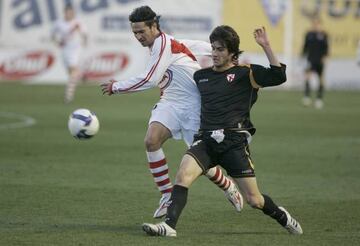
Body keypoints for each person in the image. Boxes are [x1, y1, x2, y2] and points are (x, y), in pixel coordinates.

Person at [142, 25, 303, 237]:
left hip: (234, 143)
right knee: (183, 175)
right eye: (213, 48)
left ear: (232, 54)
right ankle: (169, 226)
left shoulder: (246, 73)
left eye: (220, 50)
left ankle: (282, 216)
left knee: (254, 200)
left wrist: (266, 46)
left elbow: (278, 76)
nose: (215, 54)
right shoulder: (201, 76)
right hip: (206, 141)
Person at [101, 6, 243, 219]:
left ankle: (228, 185)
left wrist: (117, 86)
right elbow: (197, 46)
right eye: (135, 33)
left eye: (142, 31)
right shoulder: (168, 42)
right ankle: (167, 195)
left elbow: (150, 79)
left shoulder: (163, 43)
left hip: (194, 106)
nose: (138, 37)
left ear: (154, 26)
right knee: (151, 140)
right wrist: (210, 50)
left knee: (203, 163)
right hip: (170, 103)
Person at [51, 4, 88, 104]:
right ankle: (81, 75)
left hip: (75, 49)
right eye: (68, 12)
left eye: (71, 12)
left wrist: (84, 42)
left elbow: (84, 34)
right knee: (71, 73)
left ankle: (68, 96)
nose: (70, 14)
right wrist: (57, 42)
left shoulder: (77, 23)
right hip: (65, 50)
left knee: (72, 70)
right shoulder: (59, 23)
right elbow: (53, 35)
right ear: (65, 12)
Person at [301, 17, 329, 109]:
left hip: (319, 60)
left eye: (317, 23)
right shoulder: (309, 34)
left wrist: (325, 58)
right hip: (310, 60)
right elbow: (305, 47)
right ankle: (307, 97)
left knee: (321, 79)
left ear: (320, 24)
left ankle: (319, 99)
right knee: (307, 77)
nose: (315, 25)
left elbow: (326, 48)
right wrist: (302, 56)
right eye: (314, 23)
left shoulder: (324, 35)